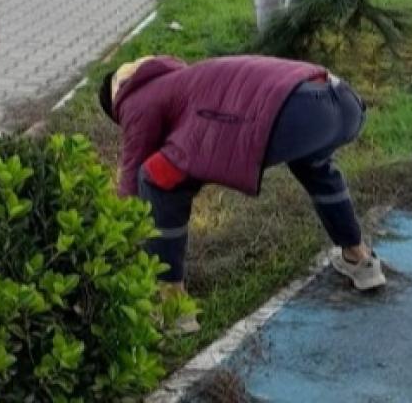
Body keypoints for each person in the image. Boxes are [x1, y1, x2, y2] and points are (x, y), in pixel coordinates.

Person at [98, 54, 386, 332]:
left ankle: (173, 306)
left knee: (157, 179)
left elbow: (132, 180)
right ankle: (360, 259)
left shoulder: (132, 99)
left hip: (291, 113)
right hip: (342, 101)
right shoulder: (177, 77)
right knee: (315, 166)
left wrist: (114, 246)